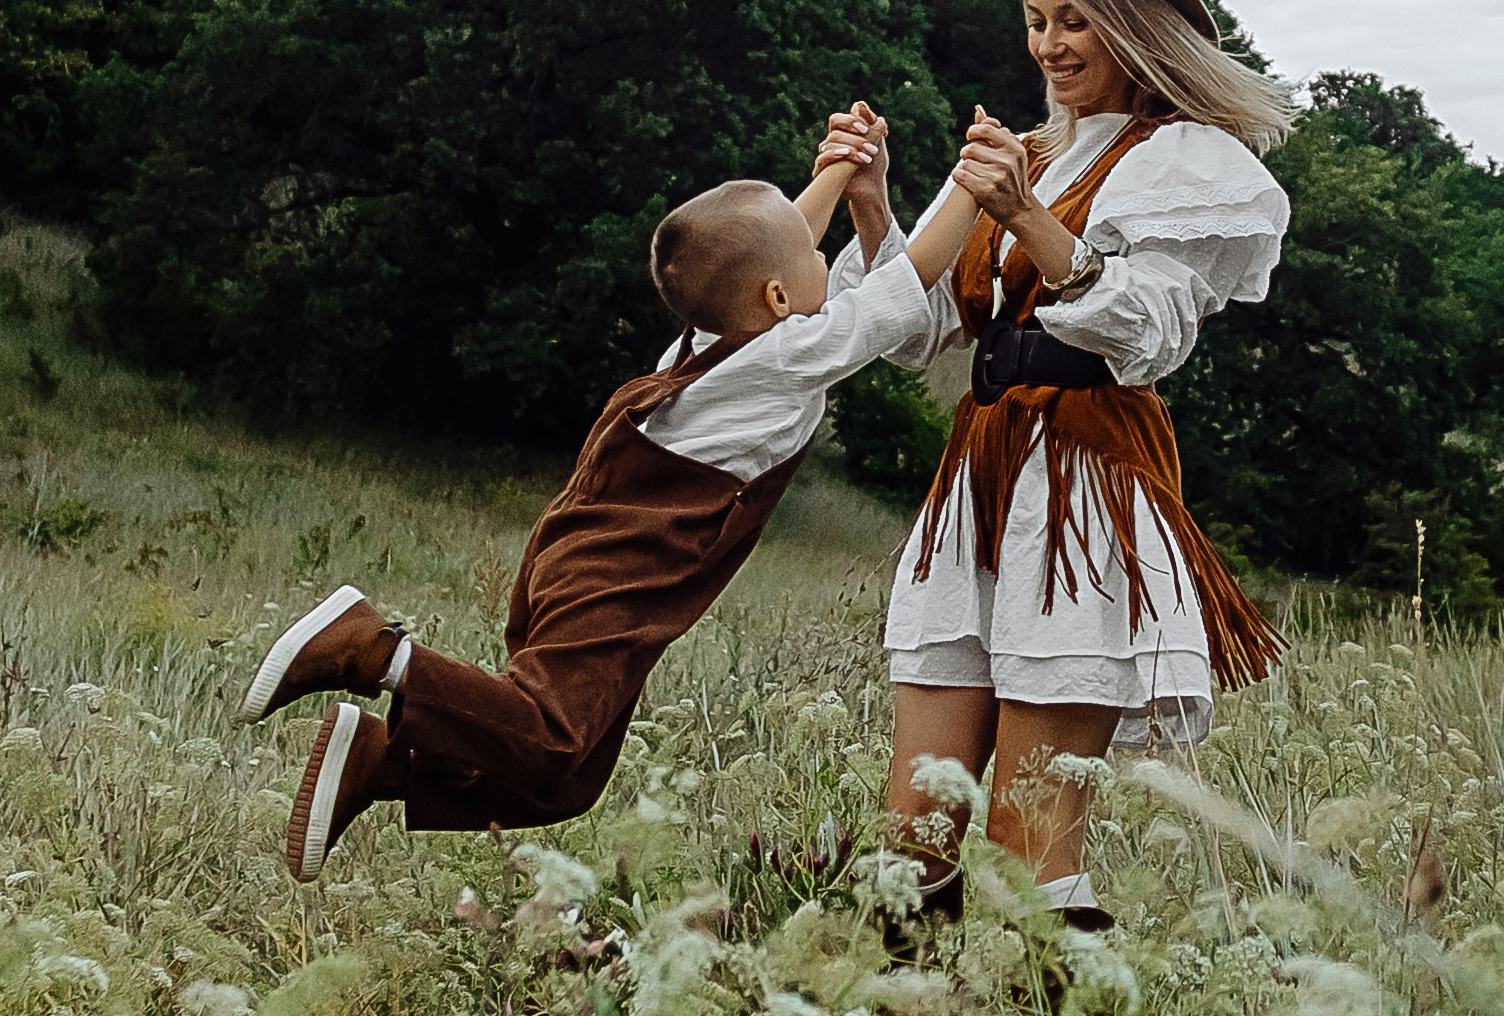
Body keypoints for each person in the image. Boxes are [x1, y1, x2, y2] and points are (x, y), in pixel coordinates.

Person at [243, 110, 981, 883]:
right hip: (618, 574)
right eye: (813, 255)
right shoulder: (786, 353)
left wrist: (840, 169)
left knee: (568, 776)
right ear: (775, 295)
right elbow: (902, 286)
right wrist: (975, 182)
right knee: (552, 737)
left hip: (581, 553)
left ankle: (382, 760)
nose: (821, 254)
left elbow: (771, 244)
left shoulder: (718, 337)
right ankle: (369, 648)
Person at [830, 0, 1293, 938]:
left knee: (1024, 839)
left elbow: (1148, 334)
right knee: (915, 829)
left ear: (1133, 25)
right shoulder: (1031, 154)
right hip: (981, 476)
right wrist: (872, 203)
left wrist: (1025, 215)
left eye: (1075, 20)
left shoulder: (1179, 163)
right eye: (1036, 19)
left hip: (1084, 482)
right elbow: (918, 331)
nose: (1048, 44)